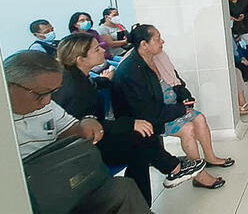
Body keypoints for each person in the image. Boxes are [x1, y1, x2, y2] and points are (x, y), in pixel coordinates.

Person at [54, 33, 206, 205]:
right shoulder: (73, 88)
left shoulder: (78, 76)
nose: (103, 49)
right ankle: (173, 168)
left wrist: (105, 80)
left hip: (97, 136)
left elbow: (94, 86)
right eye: (96, 49)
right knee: (138, 136)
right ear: (80, 59)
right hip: (85, 148)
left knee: (139, 148)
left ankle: (146, 200)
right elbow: (84, 127)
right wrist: (130, 123)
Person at [5, 50, 152, 214]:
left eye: (52, 93)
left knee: (123, 188)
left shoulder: (47, 106)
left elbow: (74, 129)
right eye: (40, 94)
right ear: (8, 86)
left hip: (60, 179)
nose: (47, 101)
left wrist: (88, 122)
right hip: (31, 195)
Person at [112, 24, 233, 190]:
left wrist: (186, 97)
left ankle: (210, 158)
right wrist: (180, 109)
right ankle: (199, 175)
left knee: (199, 118)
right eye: (157, 39)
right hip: (149, 119)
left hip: (170, 107)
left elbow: (176, 82)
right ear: (144, 44)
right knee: (188, 128)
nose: (162, 41)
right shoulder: (132, 70)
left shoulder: (159, 57)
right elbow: (149, 111)